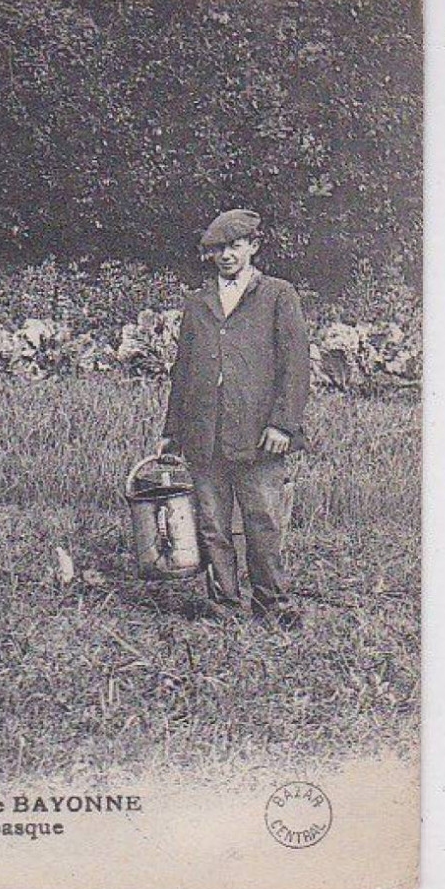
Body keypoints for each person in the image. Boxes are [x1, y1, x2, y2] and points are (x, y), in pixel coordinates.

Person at [158, 208, 310, 628]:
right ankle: (223, 602)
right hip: (203, 432)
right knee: (212, 522)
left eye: (234, 246)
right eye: (218, 248)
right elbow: (183, 371)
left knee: (262, 519)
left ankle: (271, 601)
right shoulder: (198, 302)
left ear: (253, 247)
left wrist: (283, 424)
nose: (226, 255)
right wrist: (172, 432)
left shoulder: (278, 295)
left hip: (259, 433)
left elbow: (295, 367)